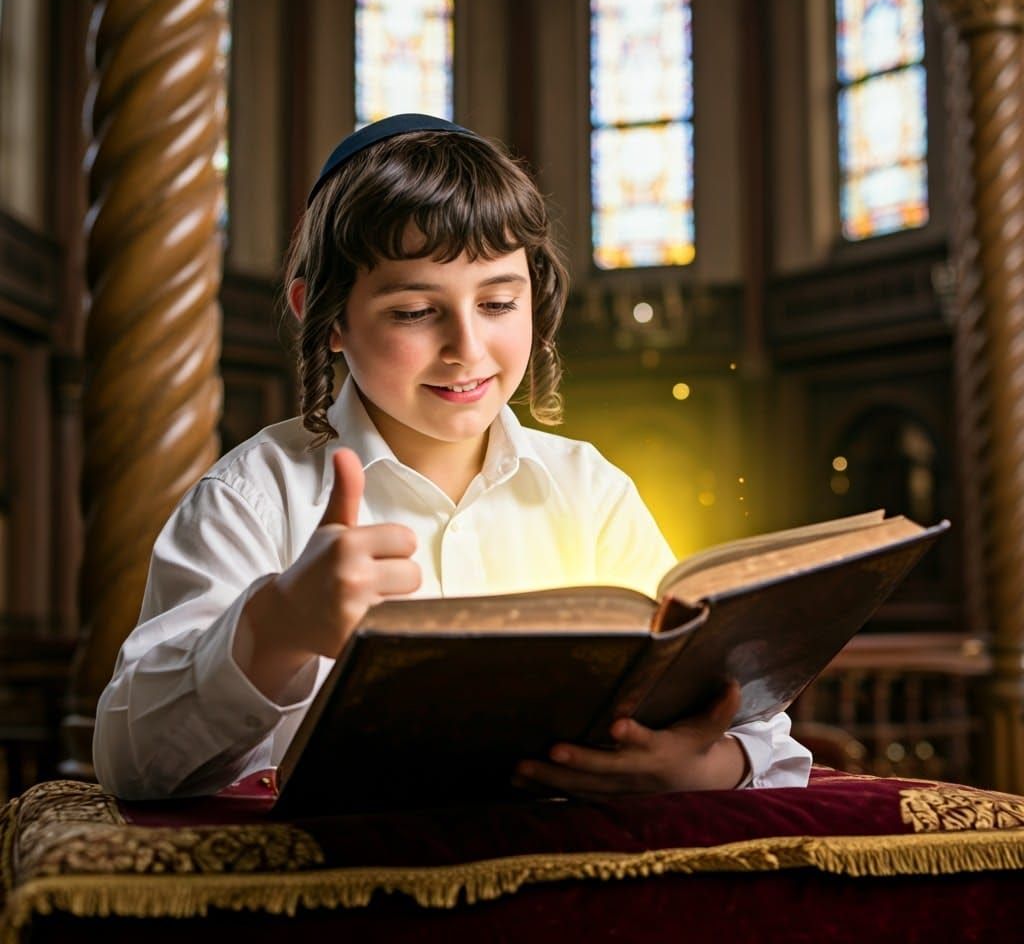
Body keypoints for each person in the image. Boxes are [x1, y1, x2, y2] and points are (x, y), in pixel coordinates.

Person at [93, 114, 811, 800]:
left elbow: (755, 731)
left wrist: (700, 766)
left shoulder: (590, 491)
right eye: (413, 311)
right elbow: (132, 762)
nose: (466, 348)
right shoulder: (251, 497)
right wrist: (274, 627)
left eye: (498, 304)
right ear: (327, 314)